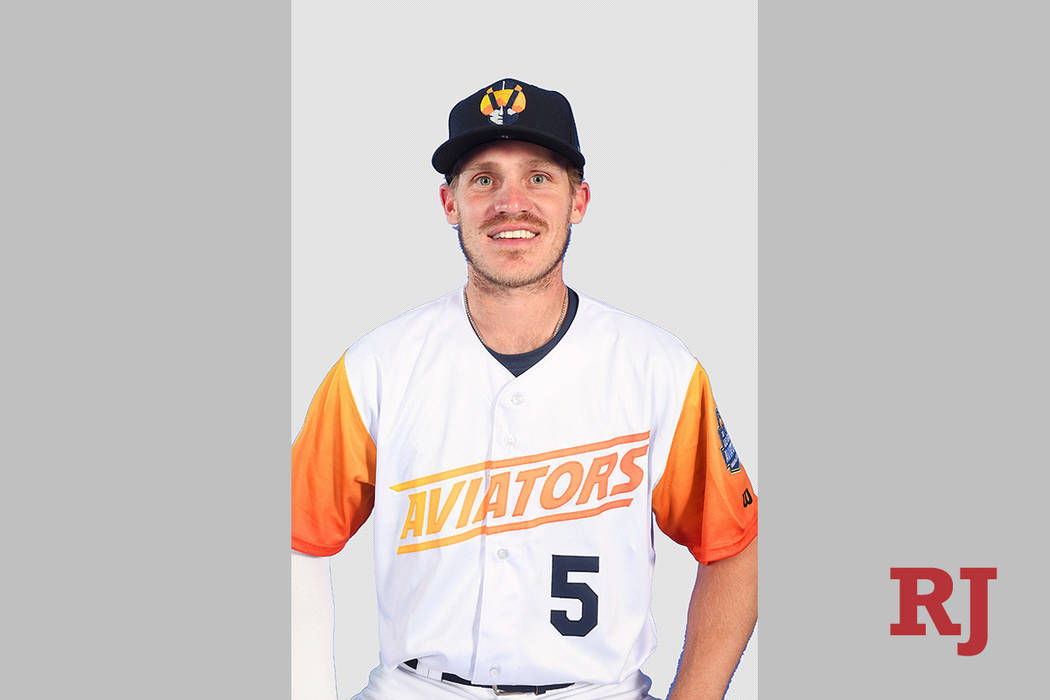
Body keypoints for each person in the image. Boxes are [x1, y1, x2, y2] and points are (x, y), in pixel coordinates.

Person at [291, 78, 757, 700]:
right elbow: (297, 540)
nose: (512, 203)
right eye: (483, 179)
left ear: (579, 200)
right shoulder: (375, 367)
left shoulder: (658, 369)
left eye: (539, 177)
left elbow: (735, 546)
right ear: (449, 203)